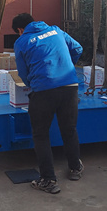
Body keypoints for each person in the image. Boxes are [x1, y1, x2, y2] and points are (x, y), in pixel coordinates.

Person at [12, 13, 84, 194]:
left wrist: (34, 83)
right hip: (70, 86)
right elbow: (77, 48)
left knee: (41, 135)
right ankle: (75, 168)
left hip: (43, 90)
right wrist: (66, 67)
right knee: (69, 129)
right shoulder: (56, 30)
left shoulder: (22, 41)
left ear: (20, 29)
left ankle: (49, 180)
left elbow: (23, 72)